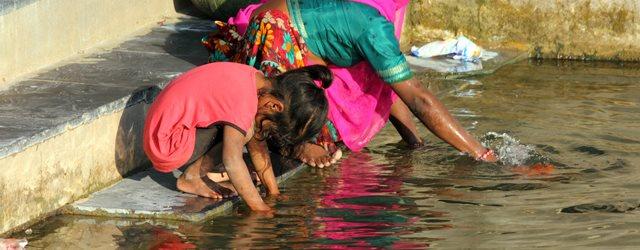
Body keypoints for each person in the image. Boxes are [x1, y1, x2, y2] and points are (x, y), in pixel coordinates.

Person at [203, 0, 497, 166]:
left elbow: (391, 91)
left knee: (331, 119)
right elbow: (418, 98)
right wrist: (479, 152)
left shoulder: (373, 22)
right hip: (273, 30)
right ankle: (293, 147)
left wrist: (415, 144)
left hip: (299, 45)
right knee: (294, 113)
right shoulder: (375, 30)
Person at [143, 62, 333, 211]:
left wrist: (273, 193)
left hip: (165, 131)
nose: (270, 131)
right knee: (247, 130)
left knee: (251, 130)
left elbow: (258, 145)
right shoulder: (245, 103)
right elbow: (232, 160)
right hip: (167, 144)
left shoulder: (254, 79)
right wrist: (260, 209)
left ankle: (195, 175)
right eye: (274, 125)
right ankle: (192, 177)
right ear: (274, 106)